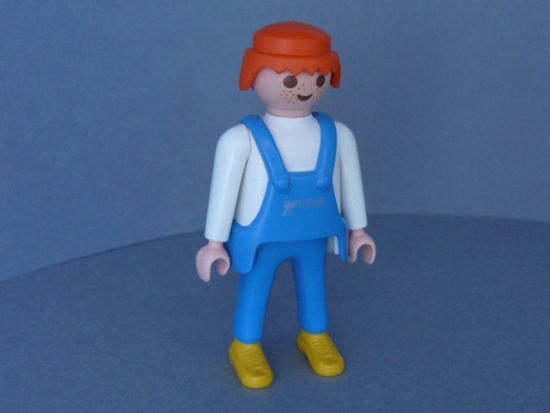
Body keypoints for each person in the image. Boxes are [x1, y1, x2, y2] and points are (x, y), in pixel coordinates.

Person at [195, 21, 376, 389]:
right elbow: (223, 192)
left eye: (318, 78)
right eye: (291, 80)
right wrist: (214, 242)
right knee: (256, 287)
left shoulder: (338, 135)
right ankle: (245, 344)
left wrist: (359, 230)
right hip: (263, 238)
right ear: (253, 75)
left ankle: (315, 335)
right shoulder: (240, 139)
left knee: (314, 284)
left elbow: (352, 184)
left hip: (314, 232)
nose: (305, 88)